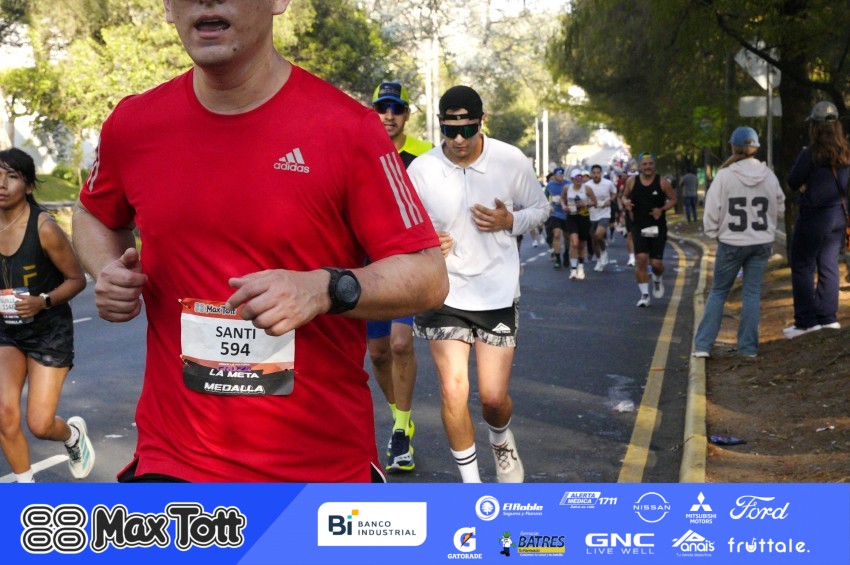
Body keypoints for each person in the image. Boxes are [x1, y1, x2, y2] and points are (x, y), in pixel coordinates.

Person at [71, 1, 447, 483]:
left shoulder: (348, 128)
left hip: (317, 469)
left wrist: (324, 288)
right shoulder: (134, 123)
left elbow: (428, 274)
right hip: (175, 460)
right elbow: (92, 213)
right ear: (167, 7)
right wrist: (106, 268)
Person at [407, 85, 549, 483]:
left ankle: (500, 439)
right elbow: (403, 227)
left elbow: (542, 208)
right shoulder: (422, 170)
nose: (458, 140)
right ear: (440, 125)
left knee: (492, 398)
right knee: (453, 389)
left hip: (495, 292)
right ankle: (472, 487)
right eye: (450, 130)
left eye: (467, 130)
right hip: (443, 291)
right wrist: (423, 242)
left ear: (482, 122)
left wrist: (511, 221)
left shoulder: (509, 159)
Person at [0, 148, 91, 482]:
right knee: (4, 415)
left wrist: (43, 301)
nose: (2, 184)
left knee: (39, 424)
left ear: (28, 186)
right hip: (6, 330)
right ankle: (26, 489)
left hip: (48, 331)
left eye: (12, 176)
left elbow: (77, 279)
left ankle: (72, 435)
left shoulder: (45, 228)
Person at [367, 81, 433, 473]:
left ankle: (400, 434)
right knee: (378, 353)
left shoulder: (425, 154)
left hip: (408, 260)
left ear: (407, 114)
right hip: (368, 263)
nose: (389, 116)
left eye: (396, 109)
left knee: (401, 342)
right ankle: (400, 419)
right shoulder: (360, 149)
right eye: (382, 108)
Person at [692, 127, 785, 358]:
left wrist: (713, 232)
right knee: (751, 294)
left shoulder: (724, 175)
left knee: (719, 292)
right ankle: (748, 348)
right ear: (756, 148)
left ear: (733, 147)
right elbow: (780, 207)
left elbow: (712, 209)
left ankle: (703, 346)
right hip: (761, 242)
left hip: (731, 242)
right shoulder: (768, 175)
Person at [784, 101, 850, 338]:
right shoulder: (846, 152)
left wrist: (806, 185)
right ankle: (827, 318)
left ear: (814, 127)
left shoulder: (810, 153)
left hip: (814, 216)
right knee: (829, 264)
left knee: (802, 264)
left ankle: (805, 322)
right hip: (838, 216)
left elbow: (792, 180)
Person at [622, 153, 677, 307]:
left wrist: (662, 209)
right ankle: (644, 295)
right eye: (645, 164)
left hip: (657, 226)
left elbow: (673, 199)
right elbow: (624, 196)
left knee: (656, 264)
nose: (648, 167)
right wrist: (626, 203)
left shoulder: (662, 182)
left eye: (650, 163)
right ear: (640, 166)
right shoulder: (632, 181)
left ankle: (657, 278)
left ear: (654, 165)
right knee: (641, 259)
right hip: (639, 225)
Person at [561, 168, 597, 280]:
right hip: (571, 217)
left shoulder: (587, 188)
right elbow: (562, 199)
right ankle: (573, 270)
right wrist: (564, 206)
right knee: (574, 243)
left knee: (581, 244)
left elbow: (595, 202)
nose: (579, 179)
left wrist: (585, 204)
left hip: (584, 217)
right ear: (572, 179)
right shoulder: (567, 188)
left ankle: (580, 267)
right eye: (576, 177)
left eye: (580, 177)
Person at [586, 164, 618, 271]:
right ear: (591, 174)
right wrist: (588, 204)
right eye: (594, 173)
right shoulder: (587, 185)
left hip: (605, 213)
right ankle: (599, 260)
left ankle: (604, 252)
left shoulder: (608, 183)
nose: (596, 175)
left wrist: (611, 200)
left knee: (599, 235)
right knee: (594, 240)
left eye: (598, 173)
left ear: (601, 173)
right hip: (592, 214)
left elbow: (614, 193)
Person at [544, 167, 569, 269]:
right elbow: (544, 199)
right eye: (558, 173)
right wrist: (548, 207)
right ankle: (558, 258)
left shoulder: (568, 184)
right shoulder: (550, 185)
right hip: (555, 214)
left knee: (567, 237)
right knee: (557, 234)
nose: (561, 175)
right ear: (554, 175)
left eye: (562, 173)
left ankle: (566, 253)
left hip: (567, 214)